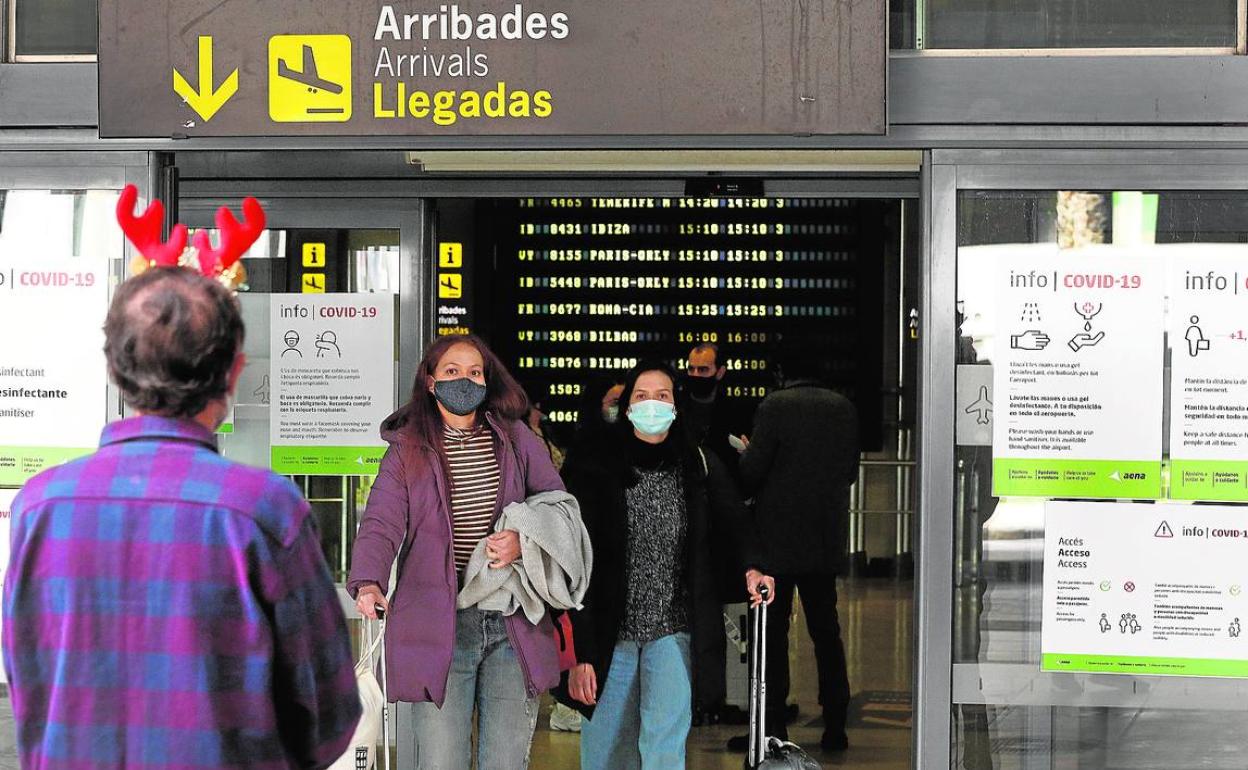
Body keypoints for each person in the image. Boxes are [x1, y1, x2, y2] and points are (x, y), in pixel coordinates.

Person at [2, 267, 361, 769]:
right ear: (234, 371)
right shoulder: (264, 510)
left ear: (114, 369)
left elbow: (27, 683)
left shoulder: (38, 506)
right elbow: (329, 713)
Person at [348, 334, 566, 770]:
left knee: (505, 762)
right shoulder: (408, 448)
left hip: (513, 622)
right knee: (441, 761)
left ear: (488, 382)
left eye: (474, 372)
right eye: (451, 371)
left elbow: (557, 506)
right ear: (430, 382)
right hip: (441, 627)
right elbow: (382, 520)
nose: (463, 380)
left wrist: (525, 541)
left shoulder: (515, 438)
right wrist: (368, 580)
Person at [557, 360, 774, 770]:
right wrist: (581, 654)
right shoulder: (593, 466)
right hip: (607, 635)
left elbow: (737, 522)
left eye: (662, 396)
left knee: (663, 751)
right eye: (640, 396)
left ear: (676, 406)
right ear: (626, 407)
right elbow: (572, 562)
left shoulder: (697, 464)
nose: (651, 404)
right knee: (605, 752)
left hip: (673, 632)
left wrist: (754, 567)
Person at [729, 340, 859, 753]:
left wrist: (747, 455)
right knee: (826, 630)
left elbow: (751, 474)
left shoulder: (774, 407)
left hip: (776, 541)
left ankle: (772, 727)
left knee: (773, 633)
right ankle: (835, 721)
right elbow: (849, 472)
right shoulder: (844, 408)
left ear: (782, 371)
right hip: (824, 538)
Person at [682, 343, 755, 480]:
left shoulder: (738, 412)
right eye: (691, 369)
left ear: (720, 372)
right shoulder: (675, 408)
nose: (695, 375)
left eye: (703, 370)